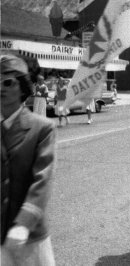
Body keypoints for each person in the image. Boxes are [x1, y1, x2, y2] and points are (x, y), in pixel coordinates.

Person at [1, 54, 56, 265]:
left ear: (22, 87)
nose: (1, 88)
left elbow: (42, 180)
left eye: (7, 82)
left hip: (30, 237)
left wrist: (23, 223)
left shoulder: (42, 128)